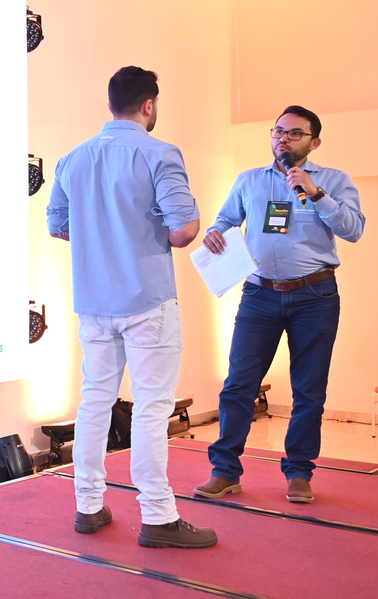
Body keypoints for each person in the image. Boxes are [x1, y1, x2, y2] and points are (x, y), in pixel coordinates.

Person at [47, 66, 216, 549]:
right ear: (149, 105)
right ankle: (158, 516)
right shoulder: (159, 153)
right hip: (146, 301)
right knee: (151, 408)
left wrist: (101, 235)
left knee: (94, 402)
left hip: (94, 303)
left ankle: (88, 507)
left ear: (109, 105)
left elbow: (58, 226)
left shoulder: (72, 159)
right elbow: (183, 232)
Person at [195, 106, 364, 504]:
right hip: (259, 295)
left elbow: (354, 229)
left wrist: (315, 192)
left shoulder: (333, 180)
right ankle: (225, 471)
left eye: (294, 134)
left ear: (314, 142)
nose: (283, 139)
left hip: (315, 297)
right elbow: (225, 220)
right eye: (278, 132)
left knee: (309, 389)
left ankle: (299, 473)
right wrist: (215, 233)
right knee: (238, 385)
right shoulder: (249, 180)